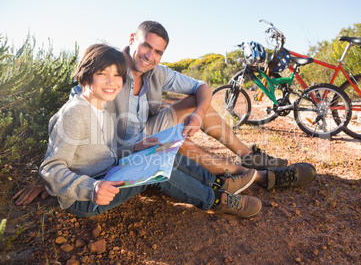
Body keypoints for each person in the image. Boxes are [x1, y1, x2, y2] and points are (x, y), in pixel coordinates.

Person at [13, 21, 317, 206]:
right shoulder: (107, 71)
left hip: (141, 135)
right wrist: (49, 178)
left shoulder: (158, 72)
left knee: (196, 110)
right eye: (146, 46)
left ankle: (250, 157)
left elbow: (203, 86)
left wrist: (197, 114)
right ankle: (258, 178)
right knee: (177, 140)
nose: (150, 56)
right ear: (133, 41)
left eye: (158, 52)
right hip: (120, 147)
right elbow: (70, 116)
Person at [36, 43, 263, 218]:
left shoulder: (102, 108)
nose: (112, 82)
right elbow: (50, 167)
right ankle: (214, 200)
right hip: (86, 199)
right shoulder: (75, 113)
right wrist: (91, 187)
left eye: (117, 75)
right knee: (153, 169)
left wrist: (136, 146)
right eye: (103, 74)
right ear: (86, 75)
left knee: (160, 150)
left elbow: (109, 149)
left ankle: (215, 182)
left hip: (107, 173)